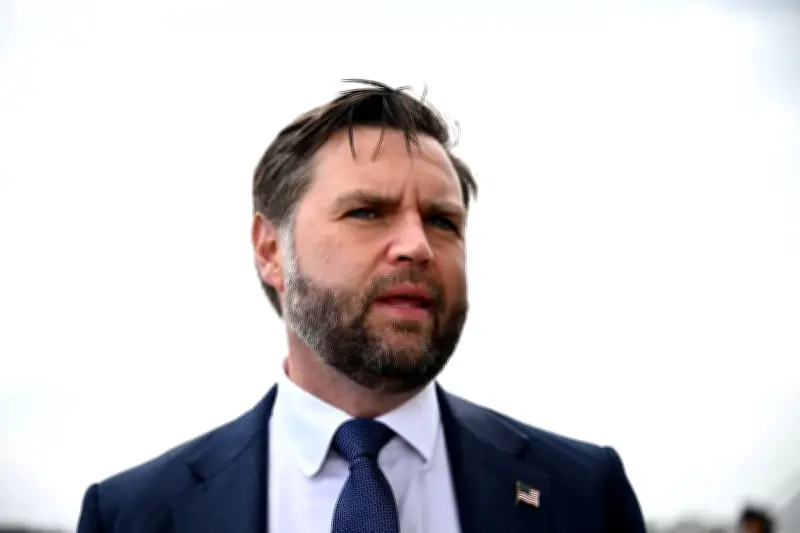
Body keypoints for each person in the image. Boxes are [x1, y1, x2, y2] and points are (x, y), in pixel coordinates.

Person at [76, 79, 647, 533]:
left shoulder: (584, 494)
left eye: (443, 221)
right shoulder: (133, 514)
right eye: (367, 212)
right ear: (271, 251)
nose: (418, 246)